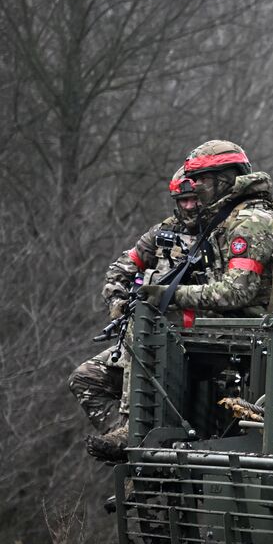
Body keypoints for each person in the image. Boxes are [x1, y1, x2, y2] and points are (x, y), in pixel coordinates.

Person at [69, 167, 201, 461]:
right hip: (150, 338)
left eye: (194, 199)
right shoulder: (161, 234)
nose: (189, 207)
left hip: (200, 341)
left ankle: (134, 434)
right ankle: (128, 442)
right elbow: (120, 269)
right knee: (86, 377)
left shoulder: (221, 233)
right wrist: (118, 303)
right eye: (183, 201)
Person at [138, 139, 273, 317]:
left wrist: (170, 294)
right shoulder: (226, 219)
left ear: (225, 179)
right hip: (237, 331)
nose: (198, 186)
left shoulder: (250, 222)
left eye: (203, 179)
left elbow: (236, 292)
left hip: (259, 334)